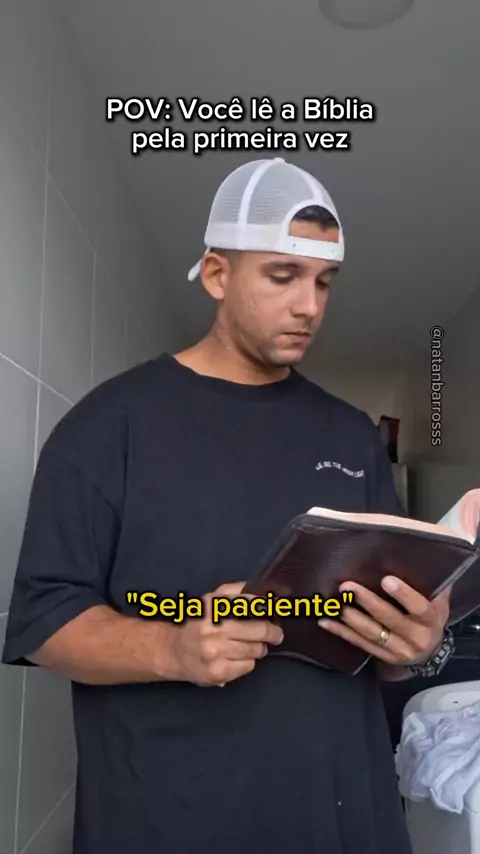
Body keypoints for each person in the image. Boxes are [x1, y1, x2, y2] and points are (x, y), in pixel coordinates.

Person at [2, 156, 451, 854]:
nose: (310, 306)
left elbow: (383, 637)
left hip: (341, 809)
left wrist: (413, 647)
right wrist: (172, 646)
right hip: (169, 813)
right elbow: (43, 622)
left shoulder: (351, 436)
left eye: (323, 281)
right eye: (283, 275)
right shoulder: (109, 426)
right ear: (217, 274)